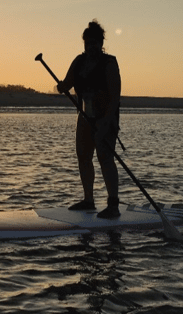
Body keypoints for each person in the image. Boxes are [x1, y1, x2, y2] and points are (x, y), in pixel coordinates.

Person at [56, 19, 122, 219]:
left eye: (95, 43)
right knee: (83, 157)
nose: (91, 46)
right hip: (85, 117)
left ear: (101, 43)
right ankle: (88, 200)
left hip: (105, 118)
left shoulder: (109, 63)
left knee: (105, 158)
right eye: (88, 43)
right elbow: (66, 84)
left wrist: (107, 122)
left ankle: (113, 205)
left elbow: (115, 96)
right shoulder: (79, 61)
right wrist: (61, 87)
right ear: (84, 43)